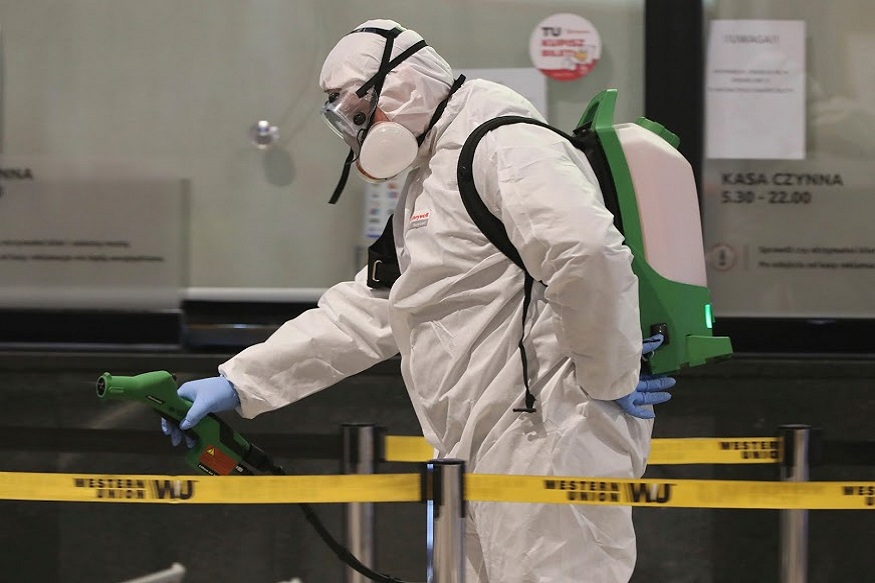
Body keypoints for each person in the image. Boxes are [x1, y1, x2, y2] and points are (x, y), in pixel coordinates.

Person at [162, 19, 674, 583]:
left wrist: (610, 377)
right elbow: (374, 308)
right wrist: (239, 381)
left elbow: (585, 253)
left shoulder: (505, 143)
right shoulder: (433, 172)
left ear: (403, 85)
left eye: (363, 113)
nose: (361, 131)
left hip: (550, 436)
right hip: (486, 441)